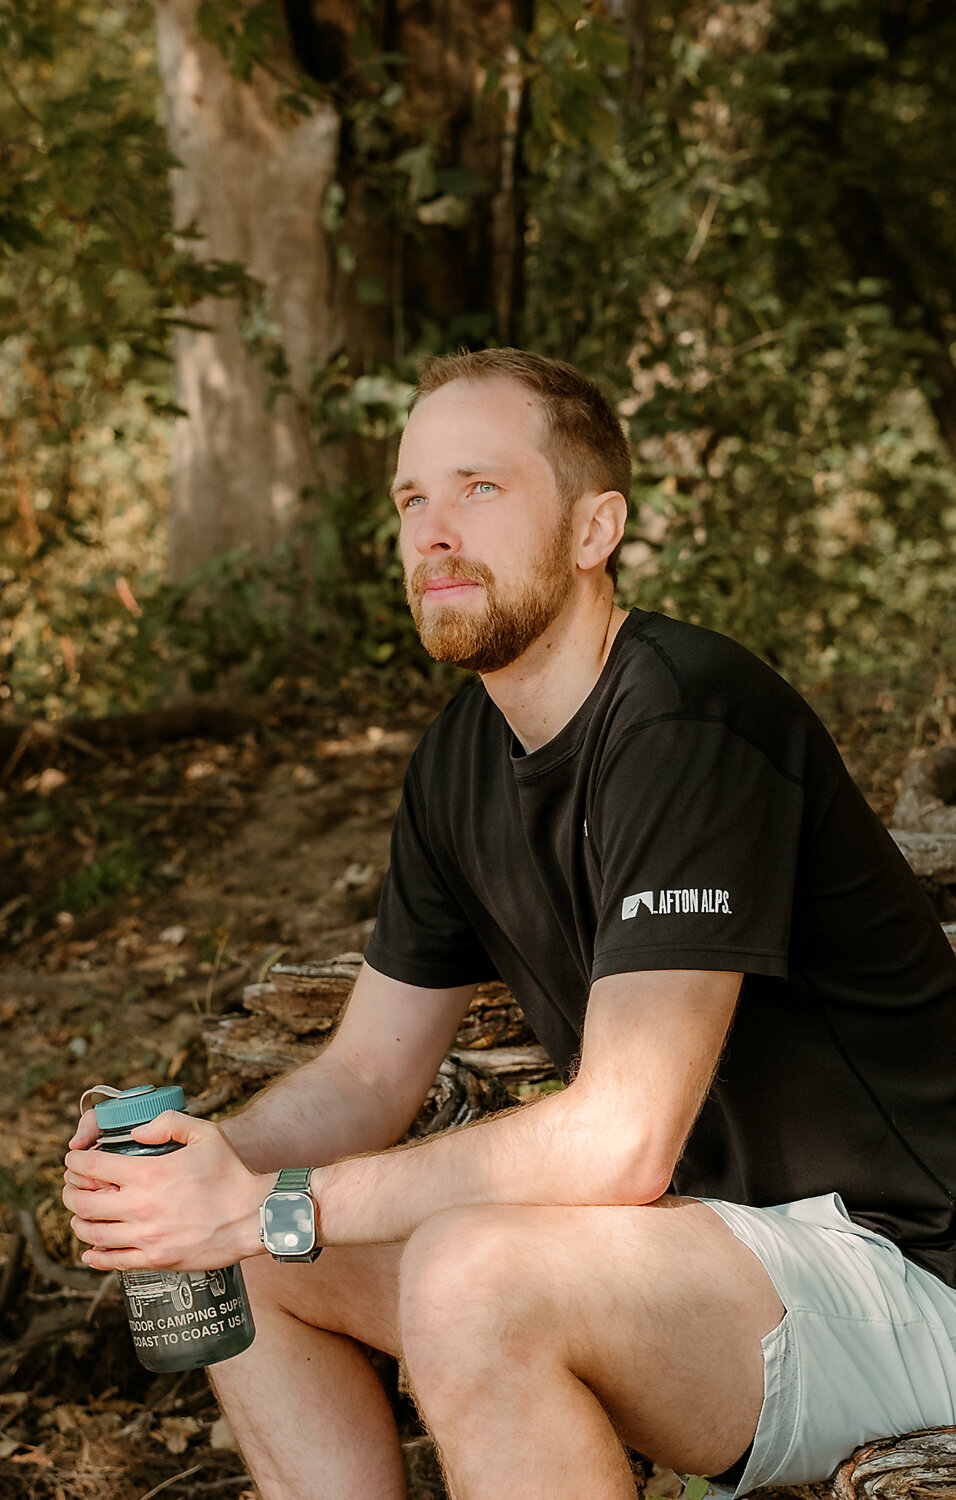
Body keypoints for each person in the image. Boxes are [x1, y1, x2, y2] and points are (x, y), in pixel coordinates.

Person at [64, 349, 956, 1500]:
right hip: (714, 1259)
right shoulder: (456, 763)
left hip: (905, 1268)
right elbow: (363, 1084)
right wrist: (206, 1176)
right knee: (254, 1268)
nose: (432, 530)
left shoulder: (686, 721)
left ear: (594, 530)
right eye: (409, 498)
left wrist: (276, 1203)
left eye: (479, 489)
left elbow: (619, 1141)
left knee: (467, 1271)